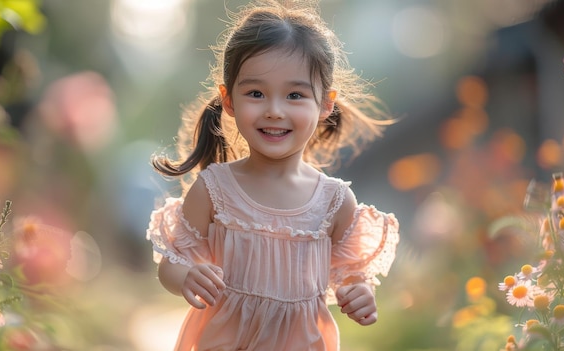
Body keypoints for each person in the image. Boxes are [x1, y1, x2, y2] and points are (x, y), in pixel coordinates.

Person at [146, 1, 400, 350]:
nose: (274, 111)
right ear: (229, 100)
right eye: (256, 93)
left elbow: (355, 275)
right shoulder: (214, 189)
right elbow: (172, 262)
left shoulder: (335, 202)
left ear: (326, 103)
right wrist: (186, 276)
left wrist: (362, 294)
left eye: (295, 95)